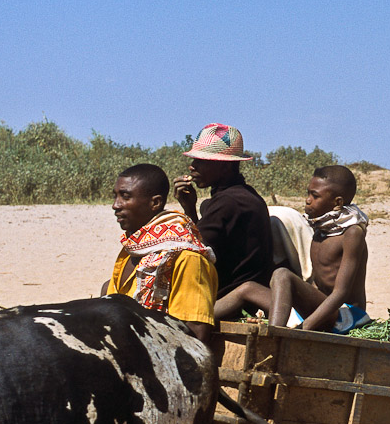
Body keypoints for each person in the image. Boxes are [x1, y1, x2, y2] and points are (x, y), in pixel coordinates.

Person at [215, 165, 370, 333]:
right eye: (308, 193)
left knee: (282, 275)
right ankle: (194, 320)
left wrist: (304, 328)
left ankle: (274, 335)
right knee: (248, 288)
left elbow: (340, 293)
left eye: (315, 195)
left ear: (337, 202)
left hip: (345, 314)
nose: (307, 200)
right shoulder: (322, 228)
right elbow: (318, 286)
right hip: (322, 308)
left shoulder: (352, 233)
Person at [105, 163, 217, 341]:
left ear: (155, 203)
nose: (115, 205)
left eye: (125, 197)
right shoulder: (131, 249)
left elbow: (196, 334)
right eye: (115, 196)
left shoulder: (186, 258)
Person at [172, 124, 274, 311]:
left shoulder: (228, 203)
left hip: (231, 302)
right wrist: (190, 208)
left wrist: (189, 212)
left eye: (201, 161)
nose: (192, 166)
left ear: (225, 167)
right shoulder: (245, 195)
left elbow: (194, 253)